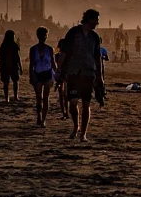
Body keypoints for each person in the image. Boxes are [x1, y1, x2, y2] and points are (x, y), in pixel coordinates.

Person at [58, 9, 104, 142]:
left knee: (86, 103)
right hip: (73, 71)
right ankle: (75, 126)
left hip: (89, 72)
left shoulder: (95, 37)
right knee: (73, 103)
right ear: (89, 19)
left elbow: (97, 58)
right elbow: (64, 53)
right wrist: (59, 70)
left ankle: (83, 133)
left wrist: (99, 76)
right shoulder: (73, 33)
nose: (97, 22)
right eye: (95, 20)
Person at [28, 27, 57, 127]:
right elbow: (31, 64)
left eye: (45, 35)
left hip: (48, 74)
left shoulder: (50, 49)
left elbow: (53, 63)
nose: (44, 37)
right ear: (38, 36)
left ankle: (43, 119)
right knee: (38, 98)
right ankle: (39, 116)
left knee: (46, 97)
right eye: (43, 35)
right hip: (37, 74)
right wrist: (31, 76)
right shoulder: (33, 49)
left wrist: (57, 74)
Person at [0, 30, 23, 102]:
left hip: (5, 66)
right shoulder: (14, 45)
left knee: (6, 83)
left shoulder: (3, 45)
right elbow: (18, 57)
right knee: (15, 82)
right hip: (14, 66)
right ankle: (15, 96)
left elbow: (1, 57)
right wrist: (21, 67)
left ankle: (7, 99)